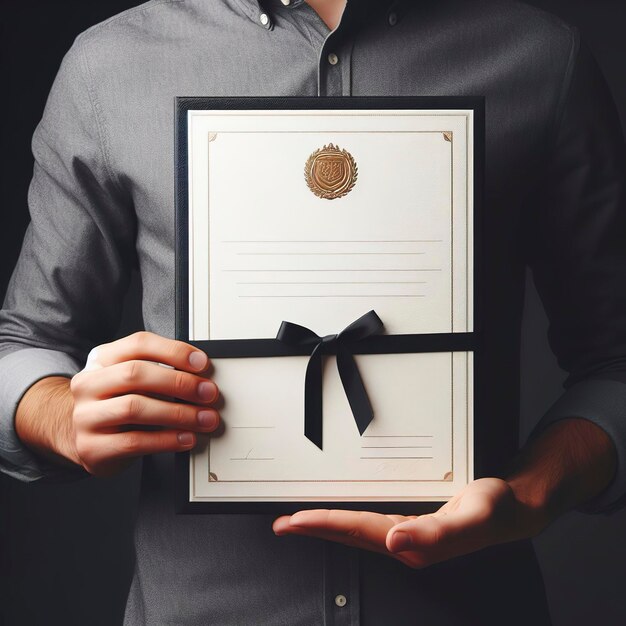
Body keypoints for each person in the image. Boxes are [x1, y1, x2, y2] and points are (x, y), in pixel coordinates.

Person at [1, 0, 625, 623]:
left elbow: (616, 362)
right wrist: (60, 415)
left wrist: (533, 495)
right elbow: (22, 342)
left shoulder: (542, 57)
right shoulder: (110, 67)